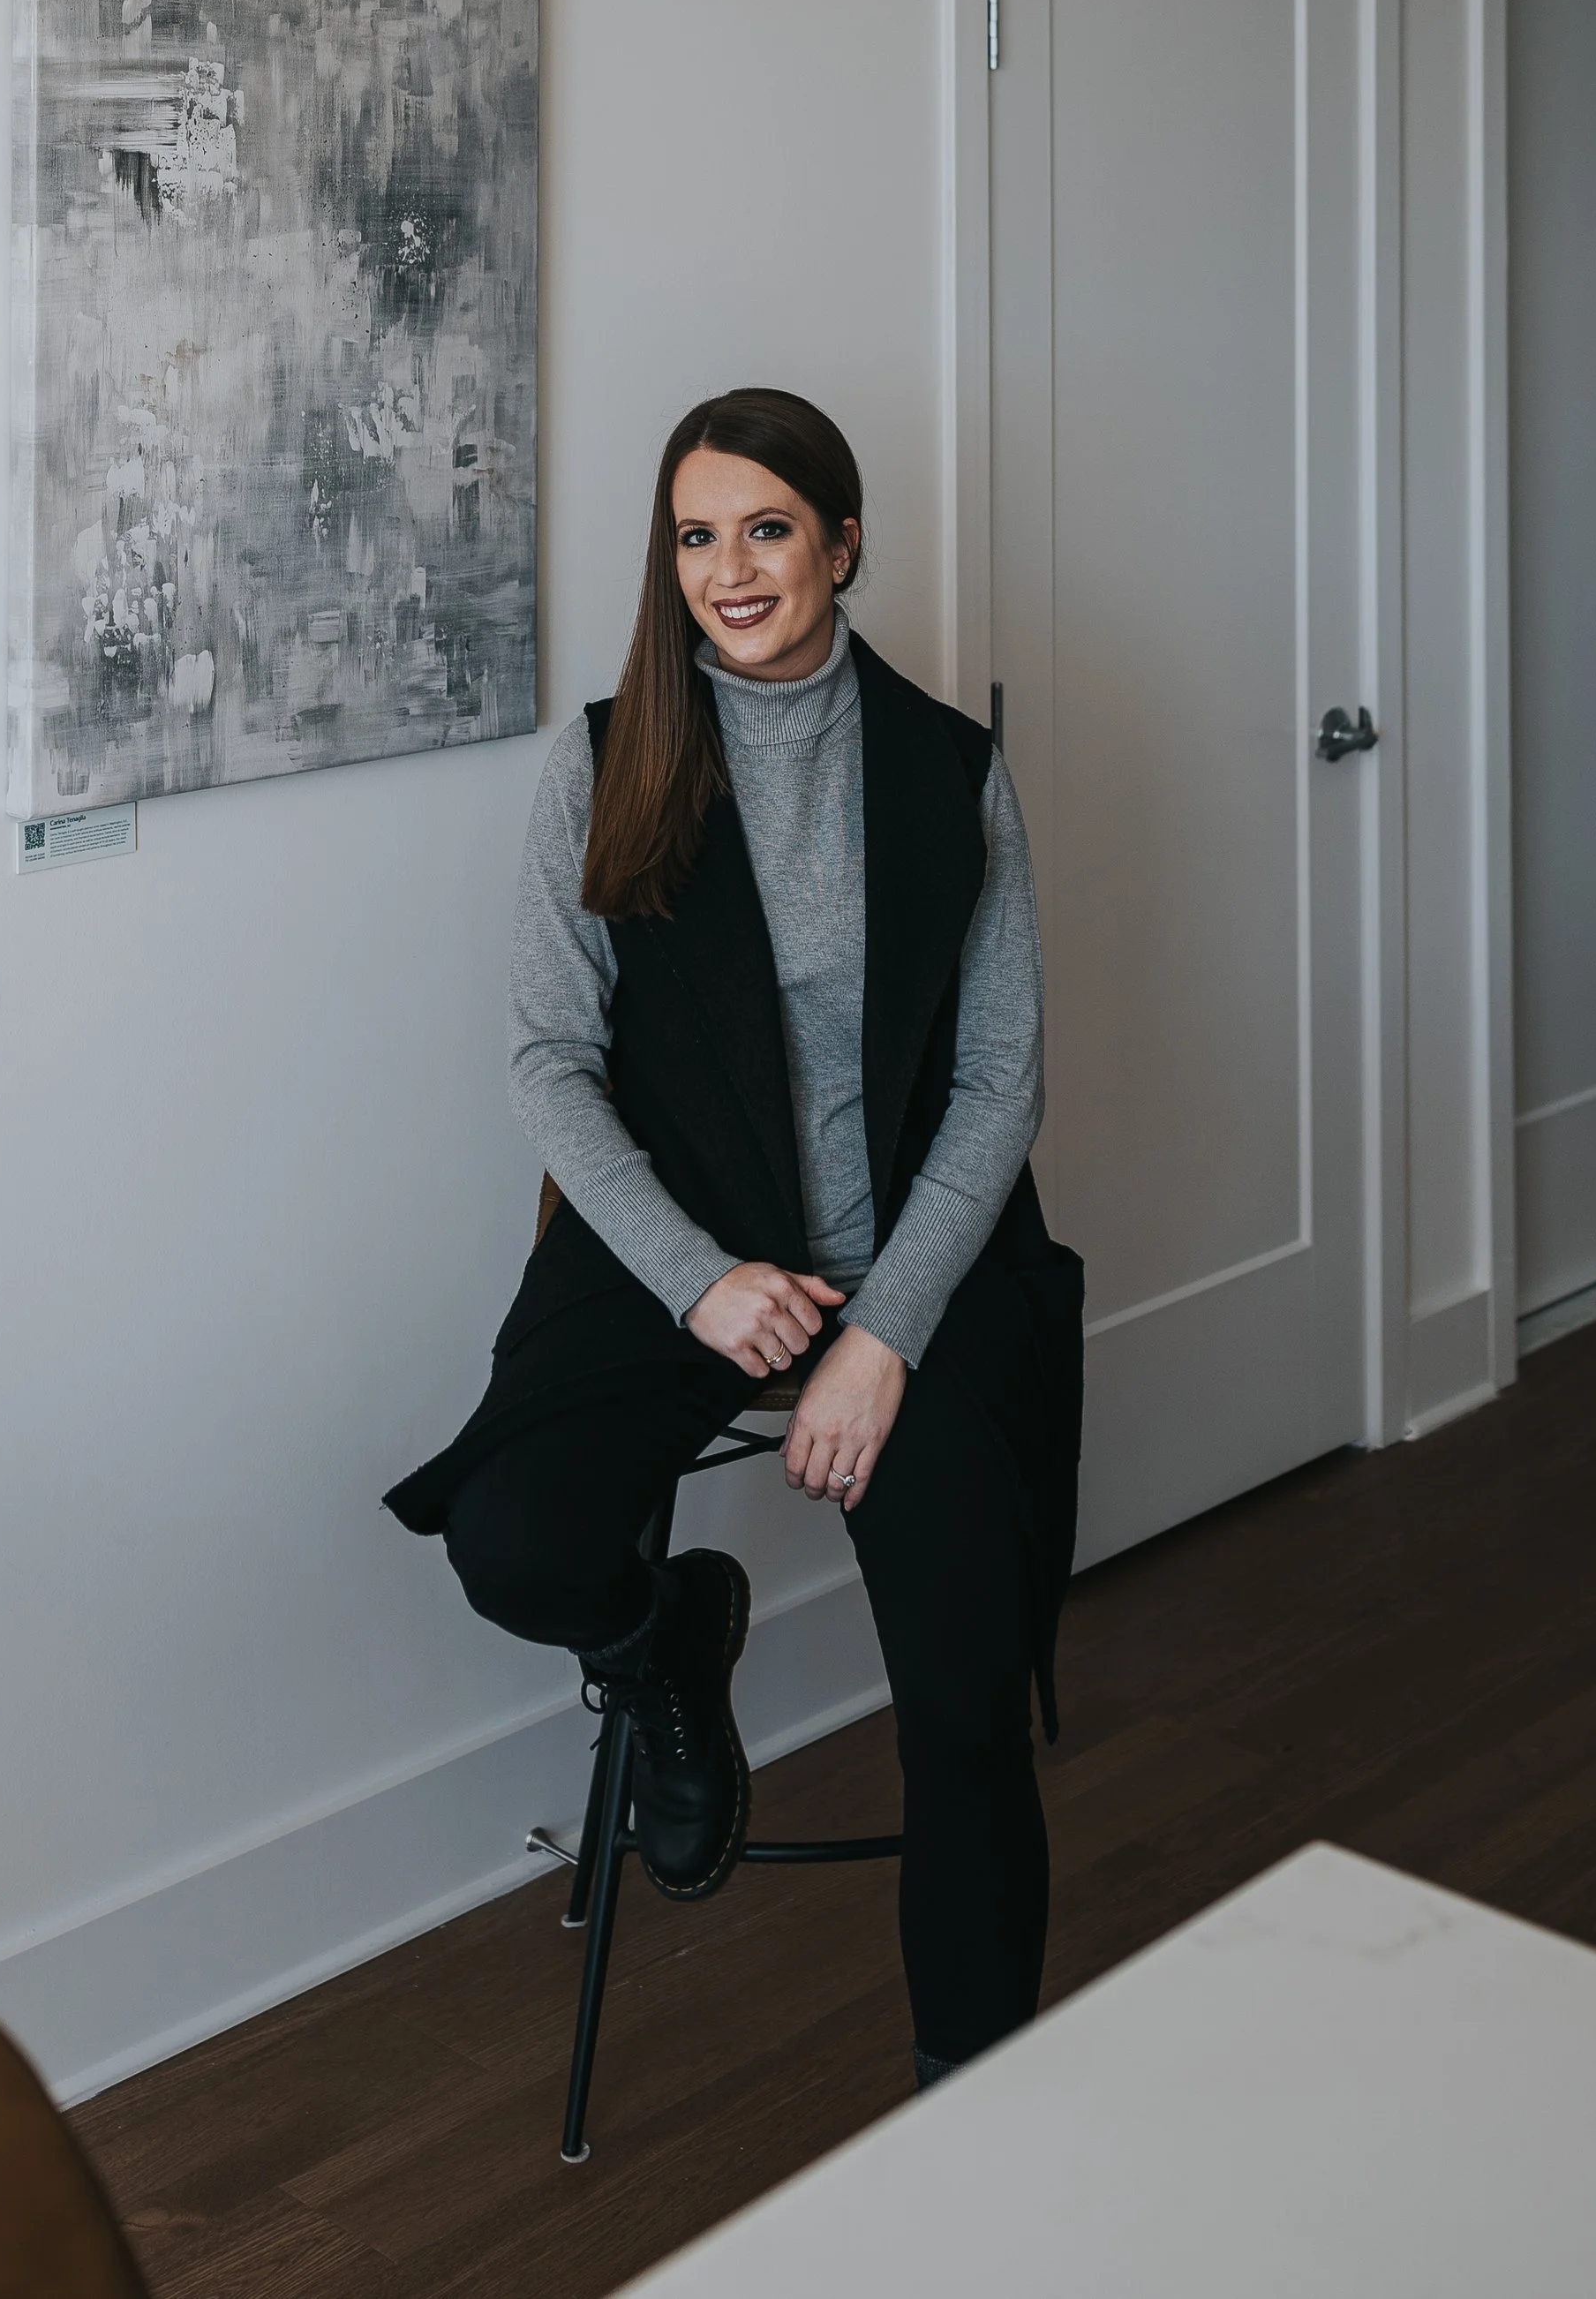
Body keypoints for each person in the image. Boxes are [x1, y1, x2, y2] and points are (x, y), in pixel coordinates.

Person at [386, 388, 1084, 2088]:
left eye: (766, 527)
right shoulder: (609, 754)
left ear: (843, 542)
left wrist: (882, 1336)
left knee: (967, 1705)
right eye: (695, 535)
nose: (728, 568)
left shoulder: (947, 770)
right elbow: (548, 1059)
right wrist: (701, 1277)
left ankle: (971, 2096)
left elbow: (1000, 1089)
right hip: (679, 1252)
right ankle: (667, 1637)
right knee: (518, 1543)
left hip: (920, 1269)